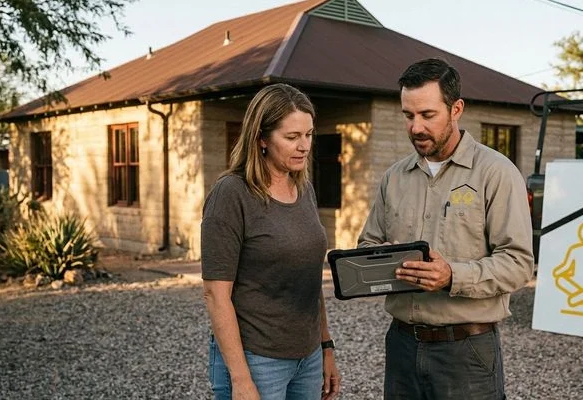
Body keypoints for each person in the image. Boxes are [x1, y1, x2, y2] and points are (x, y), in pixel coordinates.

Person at [357, 58, 534, 399]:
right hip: (402, 346)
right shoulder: (394, 177)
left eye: (427, 115)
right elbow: (369, 243)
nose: (416, 127)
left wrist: (452, 276)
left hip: (467, 352)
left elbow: (519, 263)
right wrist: (379, 260)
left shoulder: (496, 173)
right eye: (408, 115)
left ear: (456, 109)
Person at [201, 83, 340, 400]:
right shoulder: (231, 194)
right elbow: (215, 295)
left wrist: (326, 346)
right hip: (256, 360)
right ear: (261, 138)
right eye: (292, 137)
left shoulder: (303, 188)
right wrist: (240, 379)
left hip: (308, 358)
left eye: (309, 134)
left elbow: (309, 277)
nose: (304, 146)